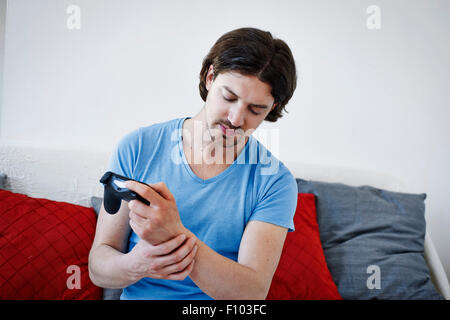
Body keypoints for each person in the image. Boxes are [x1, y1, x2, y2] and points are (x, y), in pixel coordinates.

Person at [88, 27, 298, 300]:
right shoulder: (138, 147)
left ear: (271, 108)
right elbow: (99, 266)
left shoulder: (275, 181)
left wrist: (174, 234)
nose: (235, 119)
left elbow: (251, 294)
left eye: (254, 109)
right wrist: (137, 264)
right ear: (210, 77)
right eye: (229, 97)